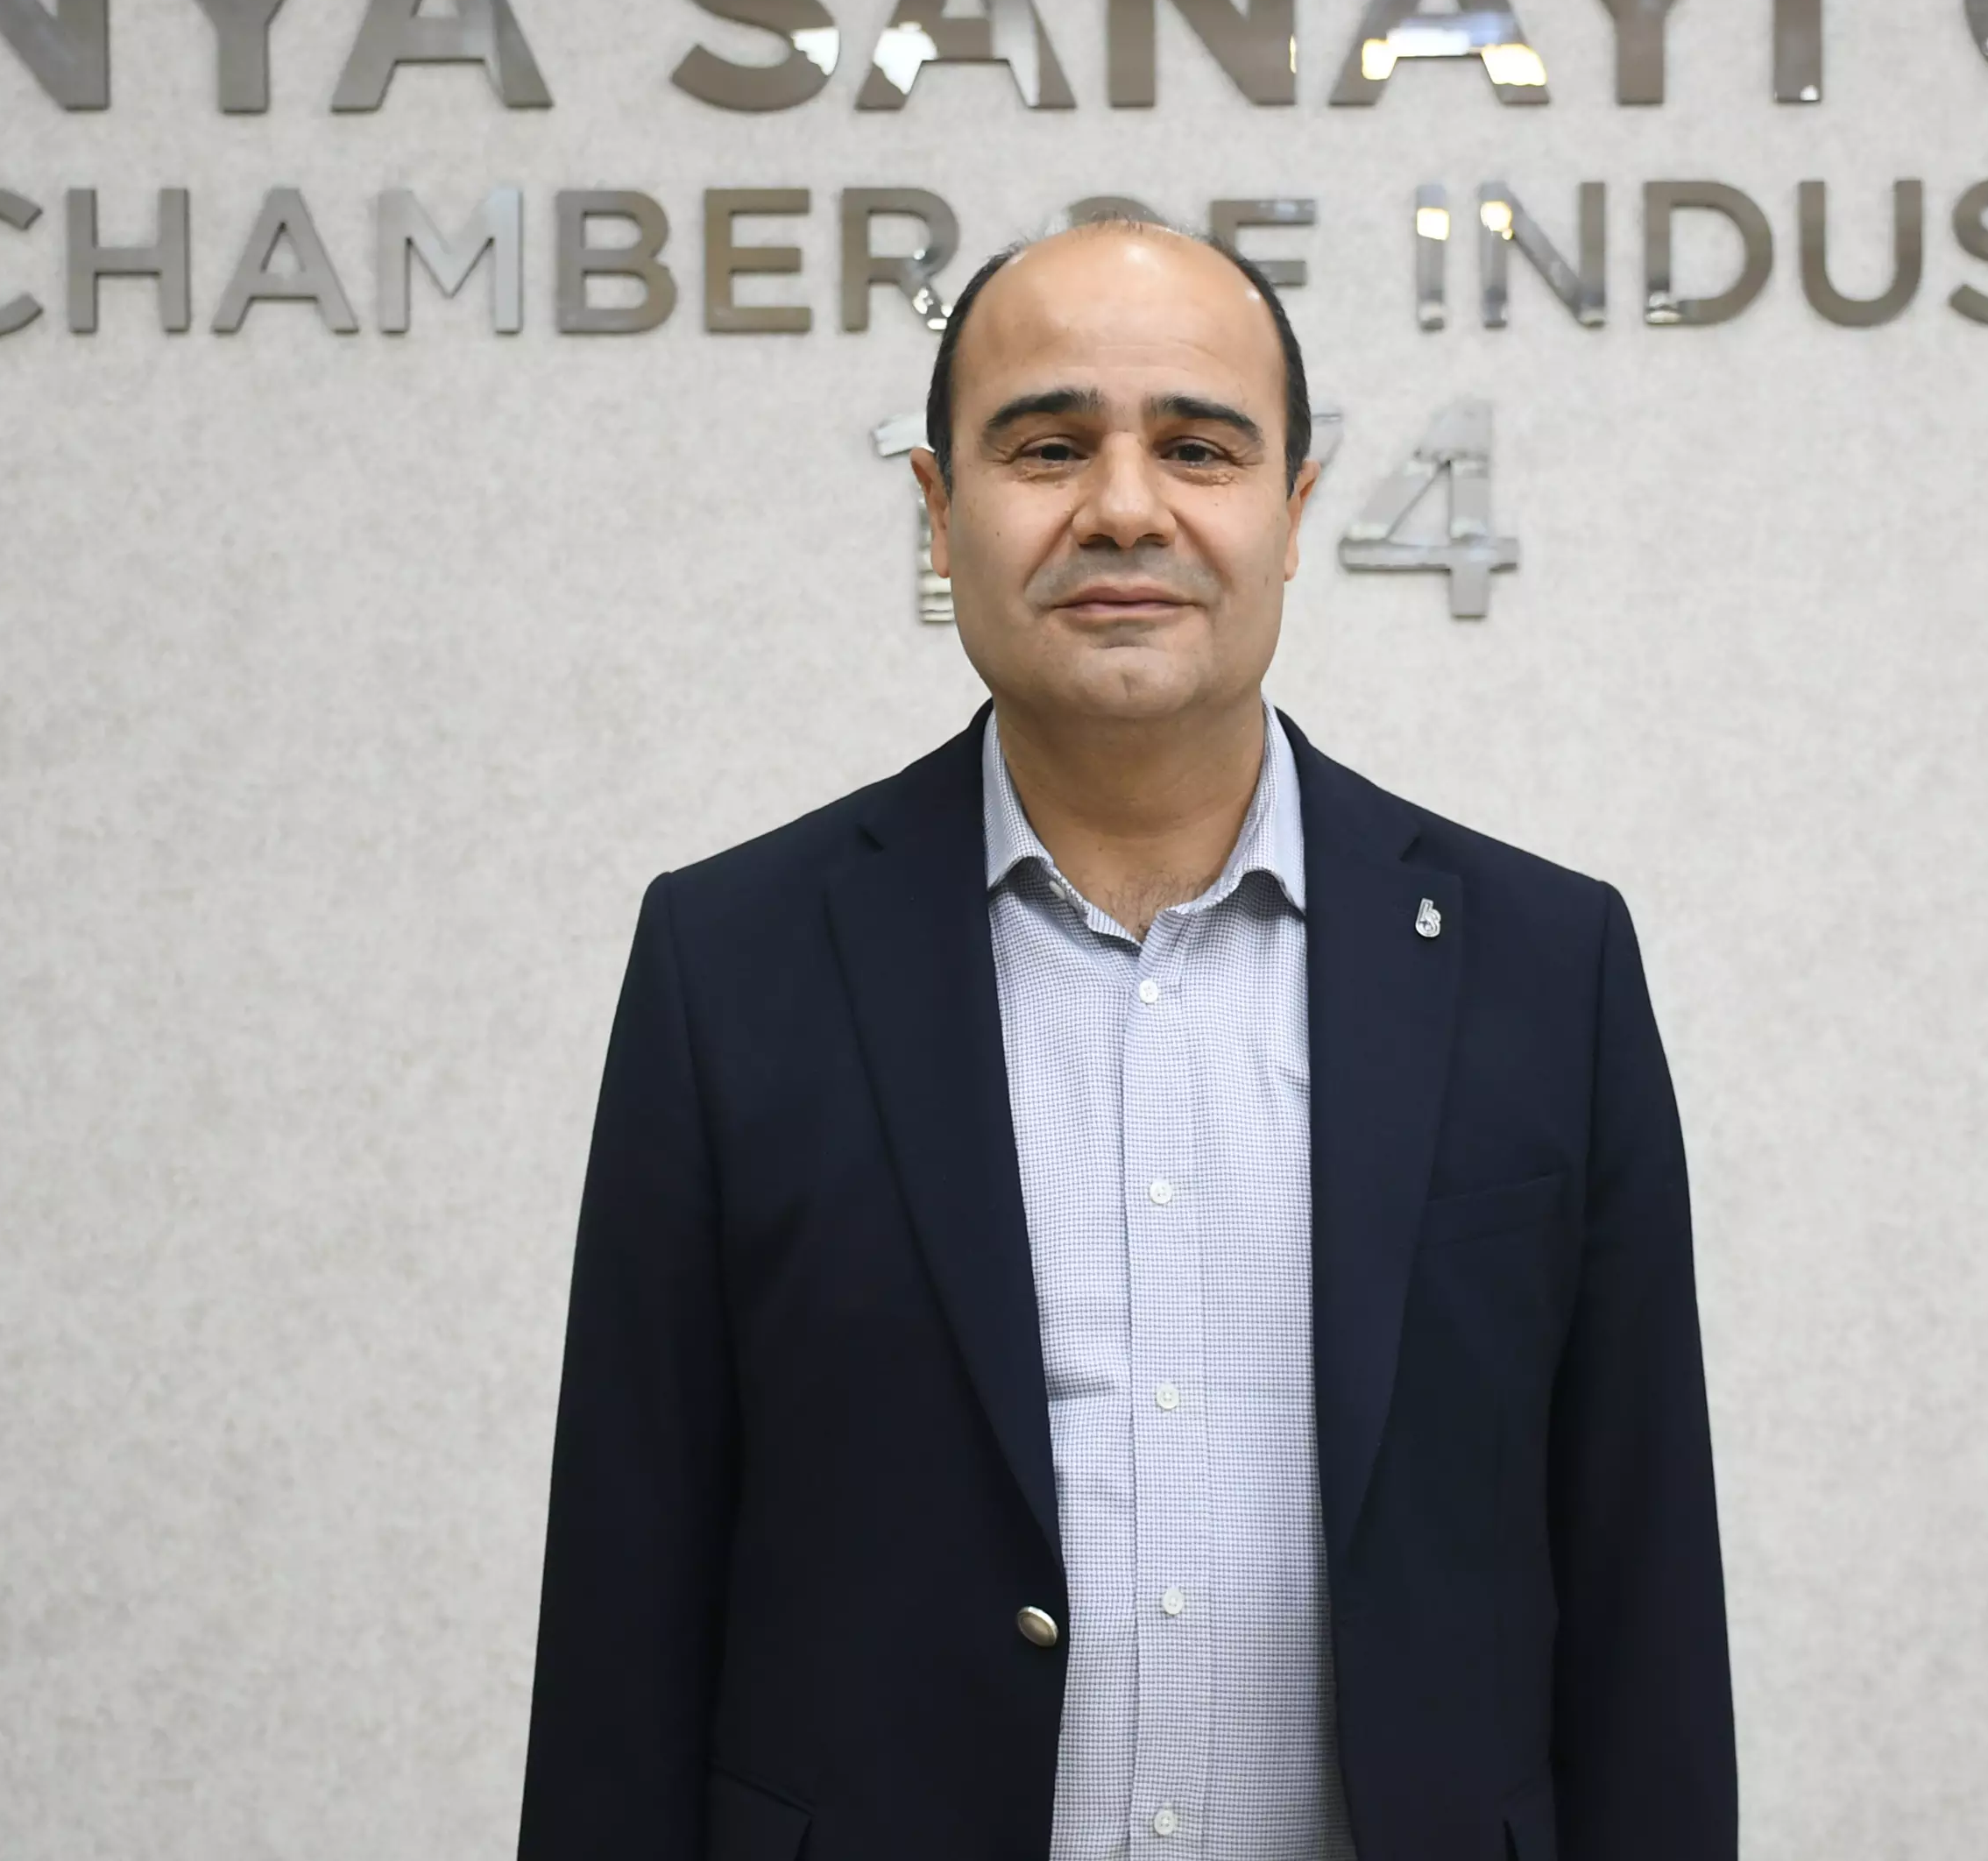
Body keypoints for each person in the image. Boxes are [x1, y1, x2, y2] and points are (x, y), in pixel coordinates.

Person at [516, 218, 1735, 1861]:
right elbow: (627, 1596)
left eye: (1199, 448)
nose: (1124, 507)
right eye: (1047, 446)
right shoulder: (730, 962)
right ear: (939, 510)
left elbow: (1644, 1584)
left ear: (1294, 511)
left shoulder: (1542, 965)